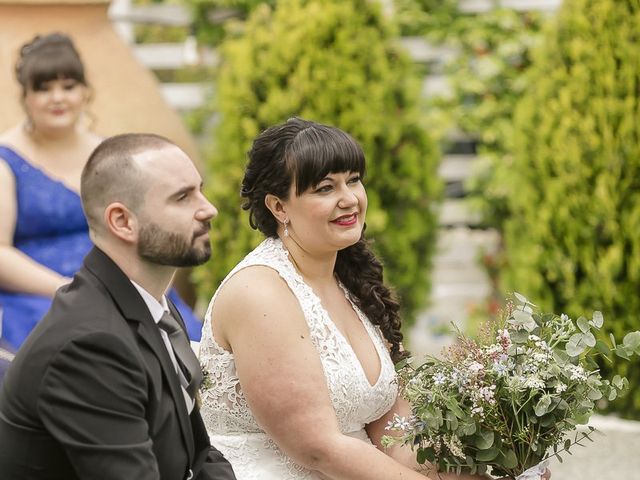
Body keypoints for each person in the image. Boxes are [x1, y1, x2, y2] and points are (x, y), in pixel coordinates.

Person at [198, 117, 490, 480]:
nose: (349, 199)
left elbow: (395, 439)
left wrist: (480, 476)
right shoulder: (259, 293)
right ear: (279, 207)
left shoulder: (351, 283)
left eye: (353, 180)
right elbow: (319, 449)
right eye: (325, 188)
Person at [0, 133, 237, 479]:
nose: (208, 208)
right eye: (183, 197)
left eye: (199, 189)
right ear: (122, 222)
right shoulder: (89, 345)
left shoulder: (153, 305)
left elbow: (198, 454)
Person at [0, 32, 202, 355]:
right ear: (25, 96)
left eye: (68, 86)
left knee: (179, 343)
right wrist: (65, 288)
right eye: (44, 88)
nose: (57, 98)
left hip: (118, 282)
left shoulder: (108, 154)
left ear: (85, 92)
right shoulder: (5, 160)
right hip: (39, 295)